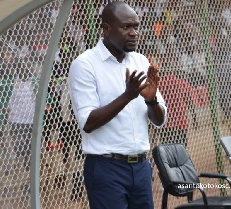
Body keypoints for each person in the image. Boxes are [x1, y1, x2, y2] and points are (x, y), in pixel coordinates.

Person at [67, 2, 167, 209]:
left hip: (141, 167)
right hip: (106, 168)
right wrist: (127, 96)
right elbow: (88, 122)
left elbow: (159, 120)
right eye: (126, 27)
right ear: (106, 28)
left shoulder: (141, 62)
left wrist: (151, 100)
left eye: (136, 27)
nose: (134, 33)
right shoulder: (85, 65)